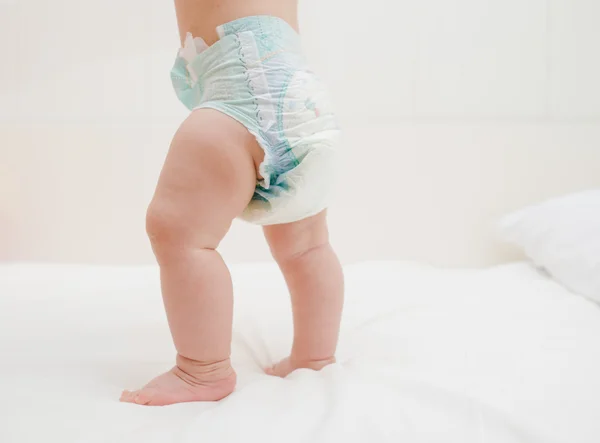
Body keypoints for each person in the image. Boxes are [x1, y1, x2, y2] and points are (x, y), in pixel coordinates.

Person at [120, 0, 343, 406]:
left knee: (179, 234)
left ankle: (201, 371)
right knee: (308, 245)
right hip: (302, 98)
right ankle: (315, 355)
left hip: (242, 84)